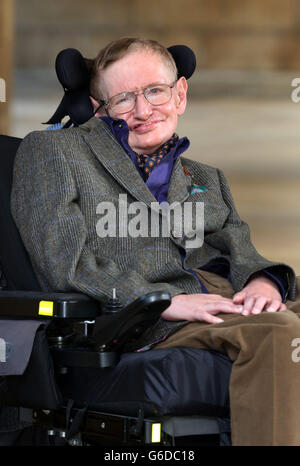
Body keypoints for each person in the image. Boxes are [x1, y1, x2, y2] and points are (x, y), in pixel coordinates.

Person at [10, 37, 300, 446]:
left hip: (221, 294)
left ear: (179, 93)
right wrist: (165, 300)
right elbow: (65, 263)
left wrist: (264, 282)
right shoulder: (56, 152)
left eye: (155, 91)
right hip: (136, 317)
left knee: (280, 310)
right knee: (277, 331)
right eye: (124, 100)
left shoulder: (205, 177)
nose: (144, 111)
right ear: (100, 108)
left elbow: (242, 251)